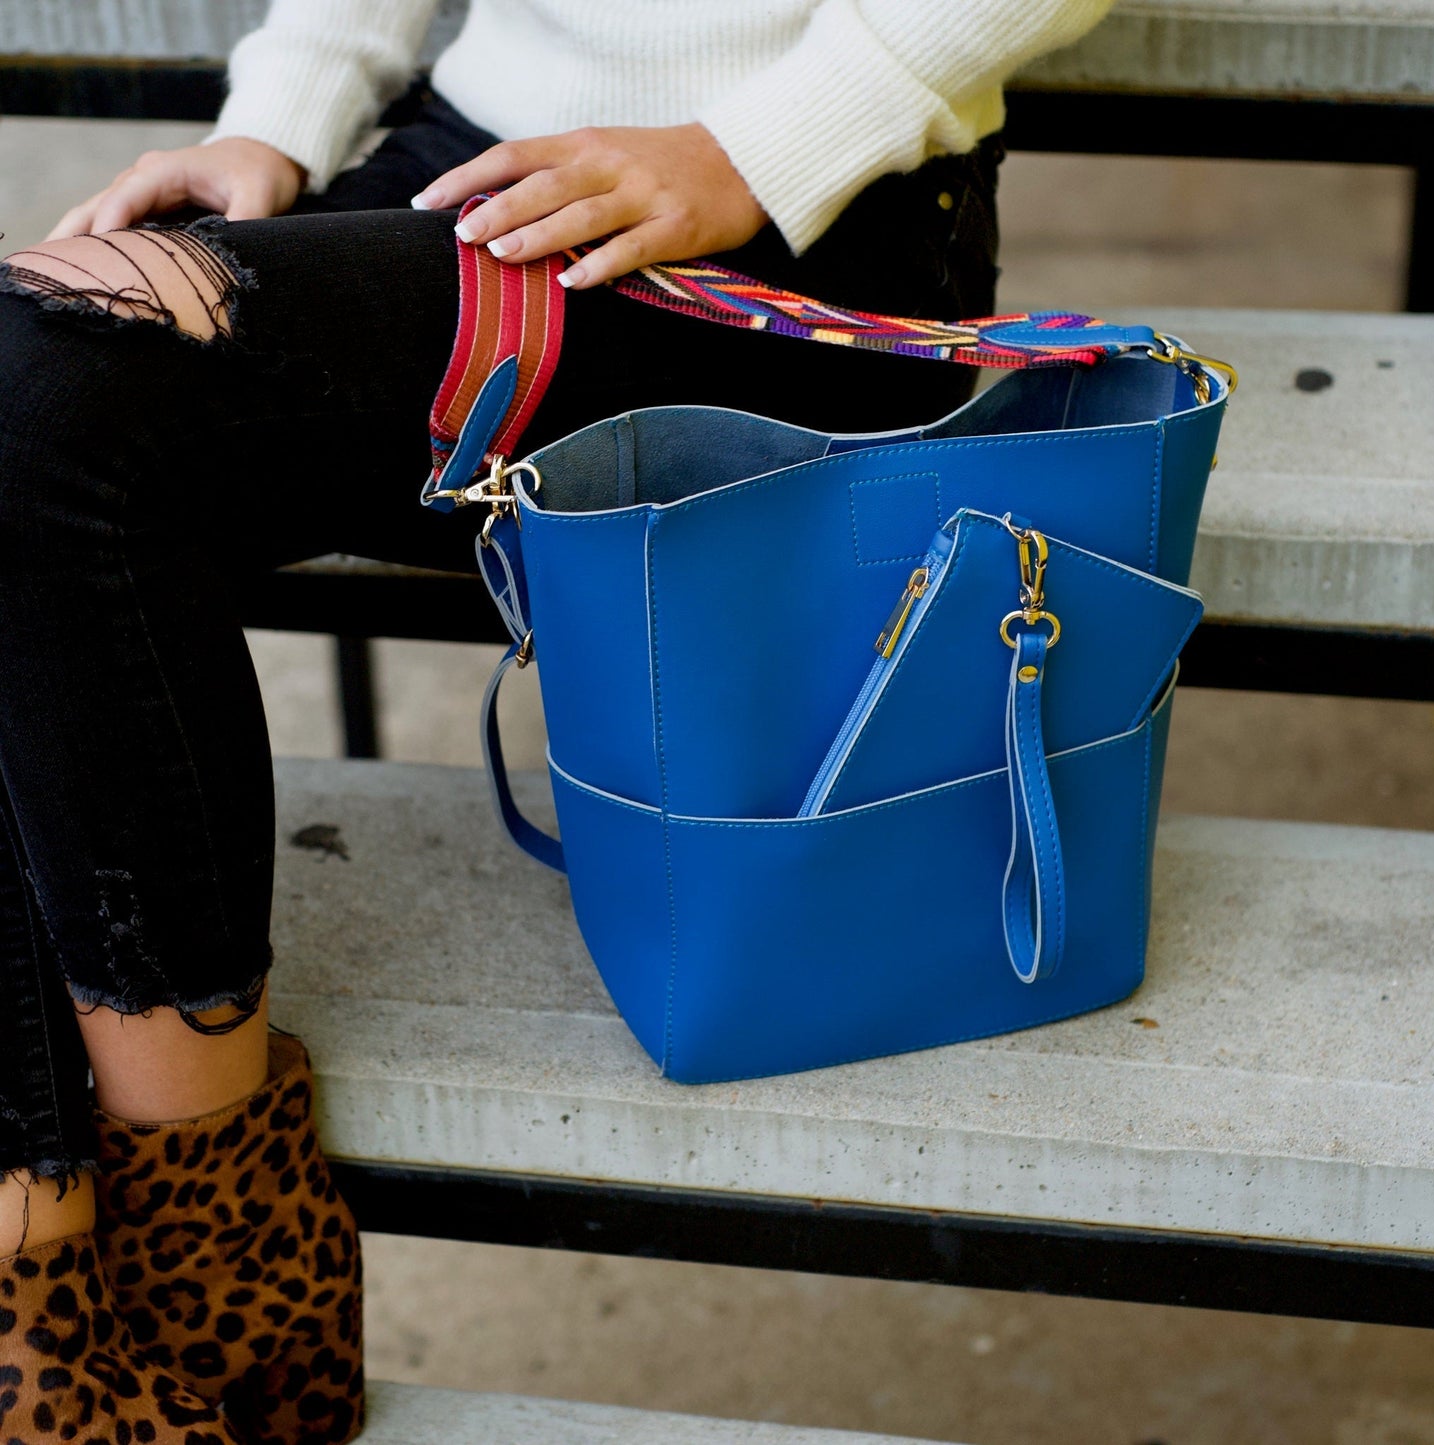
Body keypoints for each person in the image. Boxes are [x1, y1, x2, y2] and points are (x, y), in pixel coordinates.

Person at [0, 1, 1112, 1440]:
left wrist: (755, 149)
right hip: (468, 174)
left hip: (790, 218)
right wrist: (282, 112)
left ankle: (220, 1293)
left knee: (46, 392)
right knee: (35, 420)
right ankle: (58, 1321)